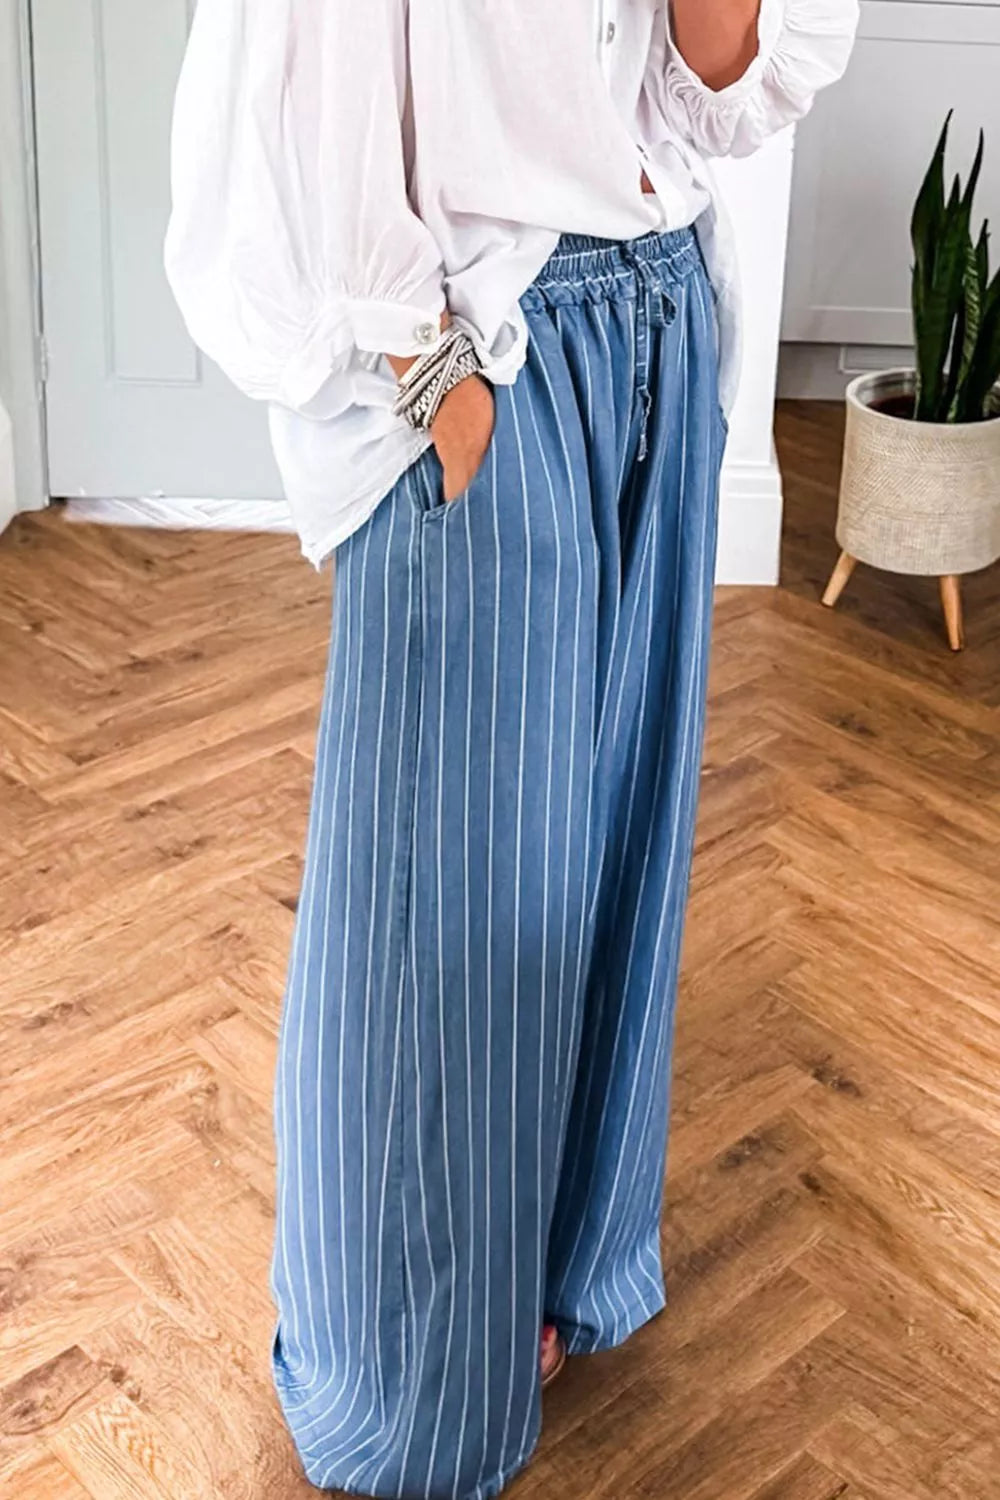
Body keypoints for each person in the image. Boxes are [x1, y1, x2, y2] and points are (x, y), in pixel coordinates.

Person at [165, 2, 858, 1495]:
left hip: (663, 309)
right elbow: (318, 74)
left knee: (609, 845)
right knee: (444, 903)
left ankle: (552, 1265)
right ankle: (408, 1379)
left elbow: (715, 90)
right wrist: (435, 384)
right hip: (489, 340)